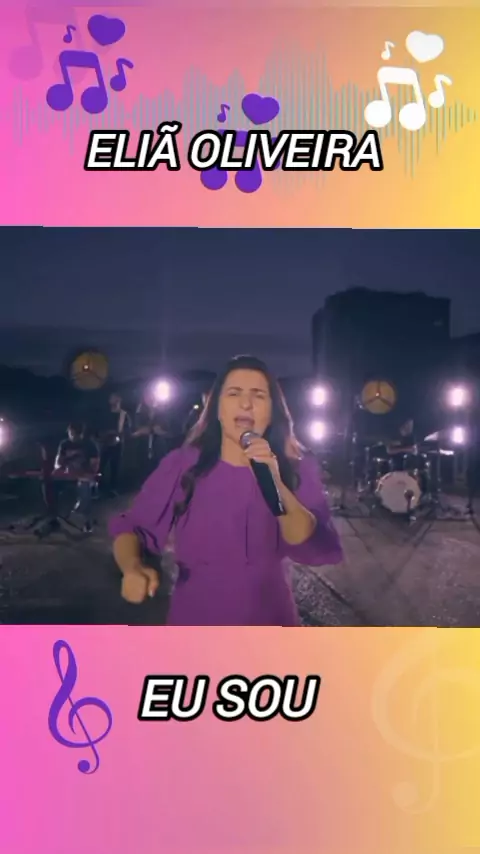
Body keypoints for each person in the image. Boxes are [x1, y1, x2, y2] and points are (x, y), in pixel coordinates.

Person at [109, 355, 343, 626]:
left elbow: (310, 543)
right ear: (217, 407)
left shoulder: (296, 468)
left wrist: (274, 480)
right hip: (196, 622)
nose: (246, 404)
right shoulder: (182, 465)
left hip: (271, 623)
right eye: (234, 393)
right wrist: (132, 567)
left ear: (272, 411)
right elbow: (132, 528)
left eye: (258, 395)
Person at [54, 422, 100, 532]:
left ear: (81, 434)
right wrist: (61, 467)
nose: (72, 436)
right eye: (71, 433)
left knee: (85, 490)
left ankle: (77, 518)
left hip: (84, 476)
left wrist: (85, 472)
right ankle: (57, 517)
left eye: (74, 434)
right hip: (68, 475)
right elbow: (58, 463)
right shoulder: (64, 444)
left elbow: (94, 466)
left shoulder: (90, 445)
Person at [132, 390, 170, 481]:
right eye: (147, 397)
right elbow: (136, 430)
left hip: (158, 449)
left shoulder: (162, 413)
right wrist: (150, 430)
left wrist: (155, 430)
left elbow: (166, 430)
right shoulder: (140, 413)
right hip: (143, 448)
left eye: (151, 397)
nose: (149, 399)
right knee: (144, 472)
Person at [99, 392, 130, 495]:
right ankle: (99, 488)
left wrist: (119, 434)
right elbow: (99, 427)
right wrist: (105, 435)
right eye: (112, 398)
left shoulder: (124, 415)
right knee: (100, 466)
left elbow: (128, 429)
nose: (115, 400)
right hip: (104, 443)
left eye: (116, 398)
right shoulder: (105, 414)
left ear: (120, 400)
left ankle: (113, 488)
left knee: (115, 467)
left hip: (118, 443)